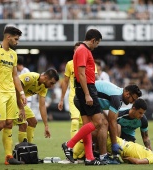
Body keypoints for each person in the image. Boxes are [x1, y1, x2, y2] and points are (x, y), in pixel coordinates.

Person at [61, 29, 107, 166]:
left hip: (84, 88)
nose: (96, 46)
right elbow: (81, 74)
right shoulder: (83, 50)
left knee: (87, 125)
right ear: (93, 40)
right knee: (98, 122)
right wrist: (87, 93)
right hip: (86, 88)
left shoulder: (82, 50)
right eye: (97, 43)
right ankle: (69, 145)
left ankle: (89, 158)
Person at [74, 80, 142, 163]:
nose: (133, 103)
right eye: (133, 99)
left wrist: (114, 141)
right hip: (84, 99)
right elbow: (112, 121)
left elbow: (112, 121)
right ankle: (103, 156)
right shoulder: (117, 97)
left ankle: (95, 151)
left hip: (84, 98)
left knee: (103, 126)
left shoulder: (119, 96)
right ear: (127, 94)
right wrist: (114, 143)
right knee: (104, 125)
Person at [0, 26, 27, 165]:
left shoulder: (13, 55)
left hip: (10, 93)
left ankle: (9, 157)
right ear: (8, 37)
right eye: (16, 39)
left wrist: (21, 93)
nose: (17, 42)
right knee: (0, 123)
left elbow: (15, 76)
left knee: (9, 124)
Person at [58, 42, 85, 164]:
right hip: (73, 97)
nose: (77, 52)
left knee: (84, 126)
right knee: (75, 122)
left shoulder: (89, 62)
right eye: (75, 50)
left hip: (86, 97)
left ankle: (80, 154)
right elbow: (65, 82)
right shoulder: (69, 64)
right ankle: (71, 151)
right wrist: (61, 98)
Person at [15, 68, 59, 143]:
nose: (51, 86)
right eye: (51, 83)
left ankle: (29, 147)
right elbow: (16, 89)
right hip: (11, 98)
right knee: (20, 124)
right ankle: (22, 150)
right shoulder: (31, 77)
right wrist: (21, 108)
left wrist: (46, 126)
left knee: (33, 122)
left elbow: (42, 106)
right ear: (45, 78)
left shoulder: (44, 87)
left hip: (19, 102)